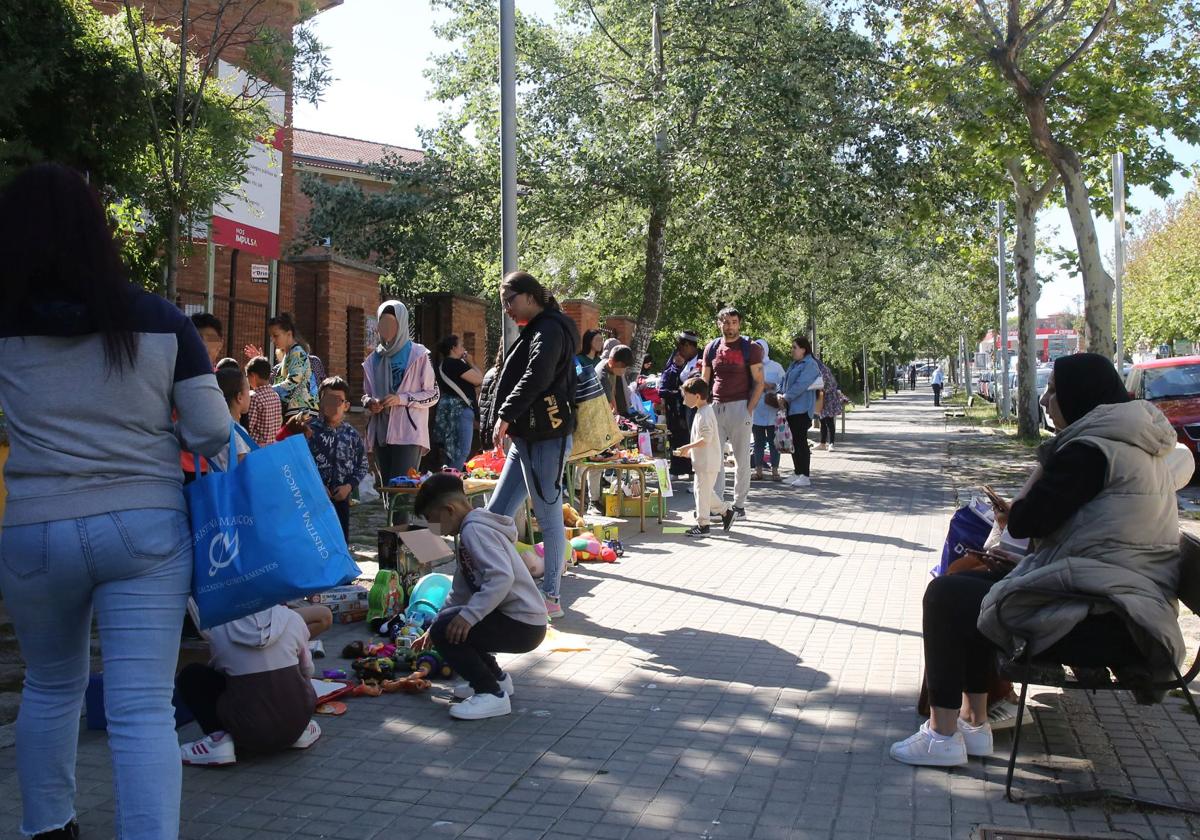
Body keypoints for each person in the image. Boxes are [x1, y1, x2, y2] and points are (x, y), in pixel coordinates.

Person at [0, 163, 229, 839]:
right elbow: (213, 428)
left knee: (47, 689)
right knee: (141, 709)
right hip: (145, 531)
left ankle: (48, 828)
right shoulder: (158, 318)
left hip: (34, 531)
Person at [890, 354, 1194, 767]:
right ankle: (972, 725)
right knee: (973, 590)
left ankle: (943, 735)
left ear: (1077, 397)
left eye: (1053, 391)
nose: (1046, 401)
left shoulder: (1091, 450)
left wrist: (1044, 460)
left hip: (1111, 616)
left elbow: (1027, 520)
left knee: (946, 596)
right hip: (1120, 598)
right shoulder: (1131, 442)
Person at [412, 474, 548, 720]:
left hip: (523, 624)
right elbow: (461, 590)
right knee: (447, 626)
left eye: (433, 520)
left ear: (448, 510)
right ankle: (497, 680)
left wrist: (467, 617)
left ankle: (490, 694)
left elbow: (501, 578)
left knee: (452, 628)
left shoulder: (474, 531)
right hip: (523, 621)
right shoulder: (471, 530)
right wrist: (434, 628)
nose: (434, 529)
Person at [486, 271, 578, 620]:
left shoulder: (550, 328)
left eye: (509, 301)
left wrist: (505, 414)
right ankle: (495, 583)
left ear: (529, 296)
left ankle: (551, 597)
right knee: (494, 517)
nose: (507, 309)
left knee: (548, 516)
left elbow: (537, 375)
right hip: (527, 436)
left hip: (547, 437)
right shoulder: (538, 328)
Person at [176, 605, 320, 766]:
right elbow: (308, 670)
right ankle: (294, 725)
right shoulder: (292, 618)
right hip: (298, 723)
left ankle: (218, 740)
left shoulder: (220, 628)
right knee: (297, 672)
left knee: (192, 675)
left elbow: (219, 671)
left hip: (249, 731)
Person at [362, 300, 439, 518]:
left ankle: (404, 540)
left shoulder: (418, 355)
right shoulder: (373, 359)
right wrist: (371, 403)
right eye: (382, 323)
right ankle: (393, 542)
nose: (386, 329)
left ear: (402, 323)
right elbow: (366, 393)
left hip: (408, 433)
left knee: (402, 491)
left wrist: (402, 399)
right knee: (388, 490)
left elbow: (433, 394)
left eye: (391, 323)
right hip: (382, 431)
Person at [700, 308, 765, 519]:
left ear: (740, 324)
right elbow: (704, 381)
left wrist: (749, 409)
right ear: (719, 324)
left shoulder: (751, 349)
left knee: (741, 459)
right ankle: (718, 505)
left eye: (734, 322)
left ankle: (739, 505)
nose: (730, 326)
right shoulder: (711, 348)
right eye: (726, 322)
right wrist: (703, 408)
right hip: (716, 408)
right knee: (714, 458)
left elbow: (759, 381)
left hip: (740, 407)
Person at [308, 377, 369, 544]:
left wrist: (348, 486)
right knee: (315, 543)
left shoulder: (352, 436)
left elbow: (362, 465)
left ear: (346, 406)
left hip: (341, 500)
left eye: (338, 401)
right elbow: (300, 464)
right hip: (313, 501)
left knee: (340, 543)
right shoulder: (309, 432)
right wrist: (316, 486)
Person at [675, 378, 736, 538]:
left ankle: (704, 525)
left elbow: (706, 439)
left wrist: (688, 448)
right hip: (705, 462)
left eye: (685, 395)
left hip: (708, 462)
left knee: (702, 493)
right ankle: (726, 511)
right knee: (703, 492)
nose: (683, 400)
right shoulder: (702, 411)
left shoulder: (705, 413)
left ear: (696, 396)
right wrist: (690, 452)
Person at [434, 333, 483, 471]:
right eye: (461, 345)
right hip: (460, 411)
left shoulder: (444, 365)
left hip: (450, 412)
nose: (463, 348)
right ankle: (451, 483)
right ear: (453, 348)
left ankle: (446, 482)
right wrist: (471, 362)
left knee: (452, 451)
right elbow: (479, 379)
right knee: (462, 451)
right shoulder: (455, 364)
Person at [780, 336, 823, 487]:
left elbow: (801, 385)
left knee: (801, 442)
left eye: (794, 347)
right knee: (794, 442)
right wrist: (780, 393)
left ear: (803, 349)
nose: (792, 350)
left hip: (802, 408)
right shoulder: (794, 364)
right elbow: (785, 381)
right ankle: (798, 472)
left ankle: (805, 475)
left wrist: (785, 397)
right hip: (791, 409)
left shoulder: (810, 364)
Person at [267, 313, 320, 418]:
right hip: (298, 410)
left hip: (302, 411)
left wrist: (268, 390)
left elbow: (293, 381)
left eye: (276, 335)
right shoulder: (290, 354)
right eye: (271, 336)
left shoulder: (296, 353)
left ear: (289, 334)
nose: (272, 340)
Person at [751, 339, 785, 481]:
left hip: (771, 409)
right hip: (756, 409)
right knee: (758, 442)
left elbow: (783, 384)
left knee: (773, 442)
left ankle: (775, 471)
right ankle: (758, 471)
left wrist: (771, 386)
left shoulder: (776, 367)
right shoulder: (751, 366)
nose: (759, 353)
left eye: (761, 349)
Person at [213, 366, 253, 471]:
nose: (250, 395)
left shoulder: (215, 427)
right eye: (248, 390)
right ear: (239, 397)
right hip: (232, 486)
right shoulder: (238, 433)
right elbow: (244, 471)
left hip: (216, 484)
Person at [245, 355, 283, 447]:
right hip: (271, 446)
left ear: (253, 376)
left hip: (256, 446)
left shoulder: (255, 397)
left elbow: (248, 426)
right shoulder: (276, 396)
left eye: (247, 376)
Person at [815, 360, 847, 452]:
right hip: (822, 396)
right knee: (822, 420)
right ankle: (822, 443)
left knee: (829, 420)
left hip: (828, 398)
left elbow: (825, 385)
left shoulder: (823, 370)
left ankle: (831, 443)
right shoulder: (819, 369)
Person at [597, 344, 635, 416]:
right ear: (611, 361)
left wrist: (616, 410)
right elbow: (608, 405)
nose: (624, 369)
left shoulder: (611, 368)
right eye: (622, 366)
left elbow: (612, 392)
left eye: (626, 367)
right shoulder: (603, 377)